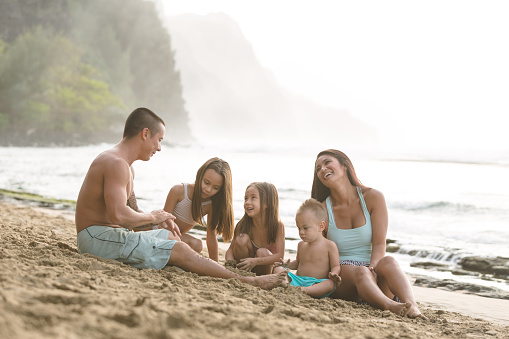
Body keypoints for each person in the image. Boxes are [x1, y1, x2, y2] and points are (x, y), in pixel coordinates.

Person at [75, 107, 285, 290]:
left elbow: (132, 210)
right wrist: (152, 216)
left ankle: (214, 270)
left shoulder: (126, 167)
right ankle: (248, 281)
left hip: (109, 235)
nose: (159, 147)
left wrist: (155, 220)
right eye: (159, 140)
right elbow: (118, 214)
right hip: (97, 238)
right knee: (178, 248)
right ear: (145, 133)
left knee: (172, 239)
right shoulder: (116, 163)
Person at [311, 149, 426, 318]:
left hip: (373, 271)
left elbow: (379, 244)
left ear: (345, 166)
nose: (322, 169)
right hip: (344, 279)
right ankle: (391, 306)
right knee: (361, 272)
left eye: (327, 163)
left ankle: (412, 307)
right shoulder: (321, 209)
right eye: (317, 168)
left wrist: (372, 269)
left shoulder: (373, 197)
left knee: (389, 261)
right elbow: (320, 250)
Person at [163, 157, 234, 262]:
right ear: (200, 175)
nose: (208, 189)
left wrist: (215, 264)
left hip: (178, 238)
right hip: (162, 232)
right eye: (206, 182)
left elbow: (211, 237)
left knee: (197, 245)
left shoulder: (210, 205)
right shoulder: (179, 191)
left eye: (215, 188)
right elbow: (164, 223)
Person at [273, 198, 341, 298]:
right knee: (278, 269)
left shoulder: (329, 245)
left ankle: (304, 290)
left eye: (305, 228)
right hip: (298, 280)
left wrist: (334, 274)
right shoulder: (301, 245)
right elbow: (298, 263)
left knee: (330, 284)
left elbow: (336, 266)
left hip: (316, 283)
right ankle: (287, 286)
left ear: (321, 226)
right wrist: (287, 265)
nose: (301, 232)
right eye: (299, 228)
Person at [225, 182, 285, 275]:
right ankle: (243, 273)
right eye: (246, 198)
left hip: (264, 271)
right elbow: (230, 250)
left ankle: (259, 278)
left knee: (262, 252)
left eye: (253, 198)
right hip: (245, 269)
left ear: (267, 203)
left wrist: (255, 261)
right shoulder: (242, 224)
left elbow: (280, 257)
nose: (247, 202)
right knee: (241, 239)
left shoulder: (277, 225)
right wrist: (230, 262)